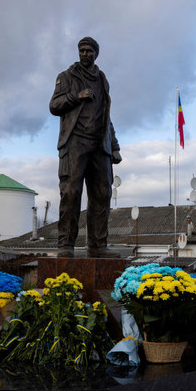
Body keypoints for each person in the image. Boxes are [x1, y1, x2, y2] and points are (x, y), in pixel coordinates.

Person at [49, 37, 122, 258]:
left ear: (96, 54)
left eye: (89, 51)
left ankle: (98, 247)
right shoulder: (67, 77)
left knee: (102, 193)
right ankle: (66, 246)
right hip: (75, 142)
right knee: (71, 192)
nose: (85, 54)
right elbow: (54, 105)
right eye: (82, 50)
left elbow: (106, 115)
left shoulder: (102, 79)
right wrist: (76, 96)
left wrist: (115, 145)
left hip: (100, 145)